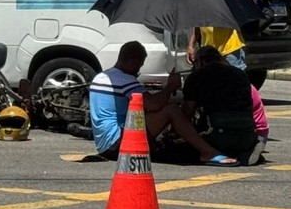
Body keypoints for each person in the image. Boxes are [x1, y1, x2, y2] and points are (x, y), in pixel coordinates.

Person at [89, 40, 239, 166]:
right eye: (139, 66)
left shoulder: (103, 76)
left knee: (159, 111)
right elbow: (153, 104)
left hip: (104, 144)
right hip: (117, 142)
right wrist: (170, 87)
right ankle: (207, 151)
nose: (138, 70)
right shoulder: (124, 80)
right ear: (132, 62)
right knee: (171, 110)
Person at [183, 46, 266, 166]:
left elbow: (186, 113)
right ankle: (244, 152)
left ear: (200, 61)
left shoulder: (197, 76)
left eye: (195, 62)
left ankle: (210, 153)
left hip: (217, 135)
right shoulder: (240, 74)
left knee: (178, 147)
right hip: (247, 136)